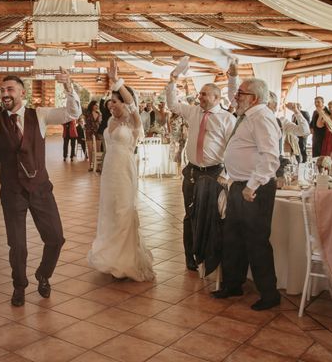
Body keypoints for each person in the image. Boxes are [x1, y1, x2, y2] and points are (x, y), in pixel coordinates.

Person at [0, 59, 81, 307]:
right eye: (2, 90)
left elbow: (72, 113)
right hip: (13, 191)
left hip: (40, 188)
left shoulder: (40, 115)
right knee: (17, 246)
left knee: (56, 238)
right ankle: (19, 286)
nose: (5, 94)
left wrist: (69, 86)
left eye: (10, 90)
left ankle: (43, 275)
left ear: (22, 93)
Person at [213, 77, 282, 311]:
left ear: (253, 98)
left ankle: (269, 294)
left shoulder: (262, 117)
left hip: (255, 188)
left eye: (240, 93)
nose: (235, 96)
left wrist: (252, 186)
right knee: (232, 238)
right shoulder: (248, 116)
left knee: (256, 241)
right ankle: (233, 284)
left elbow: (270, 156)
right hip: (238, 185)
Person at [88, 61, 154, 281]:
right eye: (110, 102)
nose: (111, 105)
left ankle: (126, 260)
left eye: (115, 102)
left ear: (125, 103)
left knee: (123, 211)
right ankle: (111, 256)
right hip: (109, 172)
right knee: (110, 211)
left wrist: (118, 81)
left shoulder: (134, 122)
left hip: (125, 172)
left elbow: (133, 103)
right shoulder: (110, 123)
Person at [166, 67, 236, 271]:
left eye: (204, 94)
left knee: (212, 216)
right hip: (193, 172)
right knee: (190, 215)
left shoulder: (226, 118)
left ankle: (210, 256)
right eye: (200, 93)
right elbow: (172, 104)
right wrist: (172, 81)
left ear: (216, 97)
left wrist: (226, 174)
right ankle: (191, 257)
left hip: (215, 172)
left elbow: (232, 149)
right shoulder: (193, 111)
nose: (200, 97)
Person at [84, 101, 102, 171]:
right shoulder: (87, 113)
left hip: (98, 132)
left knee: (98, 149)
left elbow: (99, 123)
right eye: (95, 105)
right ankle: (91, 165)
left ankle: (98, 166)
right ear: (91, 106)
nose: (97, 106)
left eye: (97, 105)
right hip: (89, 132)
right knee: (90, 149)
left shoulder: (99, 114)